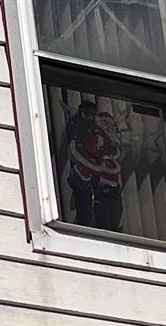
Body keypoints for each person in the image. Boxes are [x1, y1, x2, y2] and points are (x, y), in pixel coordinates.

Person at [62, 91, 124, 232]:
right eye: (87, 113)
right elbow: (78, 147)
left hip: (102, 175)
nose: (90, 116)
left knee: (106, 205)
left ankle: (107, 226)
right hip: (87, 172)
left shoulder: (99, 130)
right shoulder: (82, 129)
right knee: (86, 204)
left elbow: (110, 146)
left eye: (92, 113)